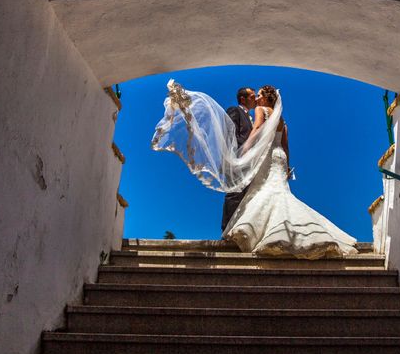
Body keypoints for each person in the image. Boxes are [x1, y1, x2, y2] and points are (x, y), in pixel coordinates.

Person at [152, 81, 358, 259]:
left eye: (259, 95)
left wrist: (245, 150)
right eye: (254, 95)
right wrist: (286, 166)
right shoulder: (282, 120)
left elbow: (257, 129)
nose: (257, 98)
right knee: (277, 192)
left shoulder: (261, 111)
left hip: (265, 157)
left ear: (266, 99)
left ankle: (255, 233)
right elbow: (285, 146)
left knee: (262, 192)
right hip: (279, 158)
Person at [221, 87, 256, 233]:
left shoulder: (252, 118)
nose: (255, 100)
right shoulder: (235, 110)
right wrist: (233, 157)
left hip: (249, 161)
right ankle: (227, 230)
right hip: (237, 158)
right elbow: (228, 133)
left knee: (246, 195)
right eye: (252, 96)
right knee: (234, 194)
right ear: (243, 99)